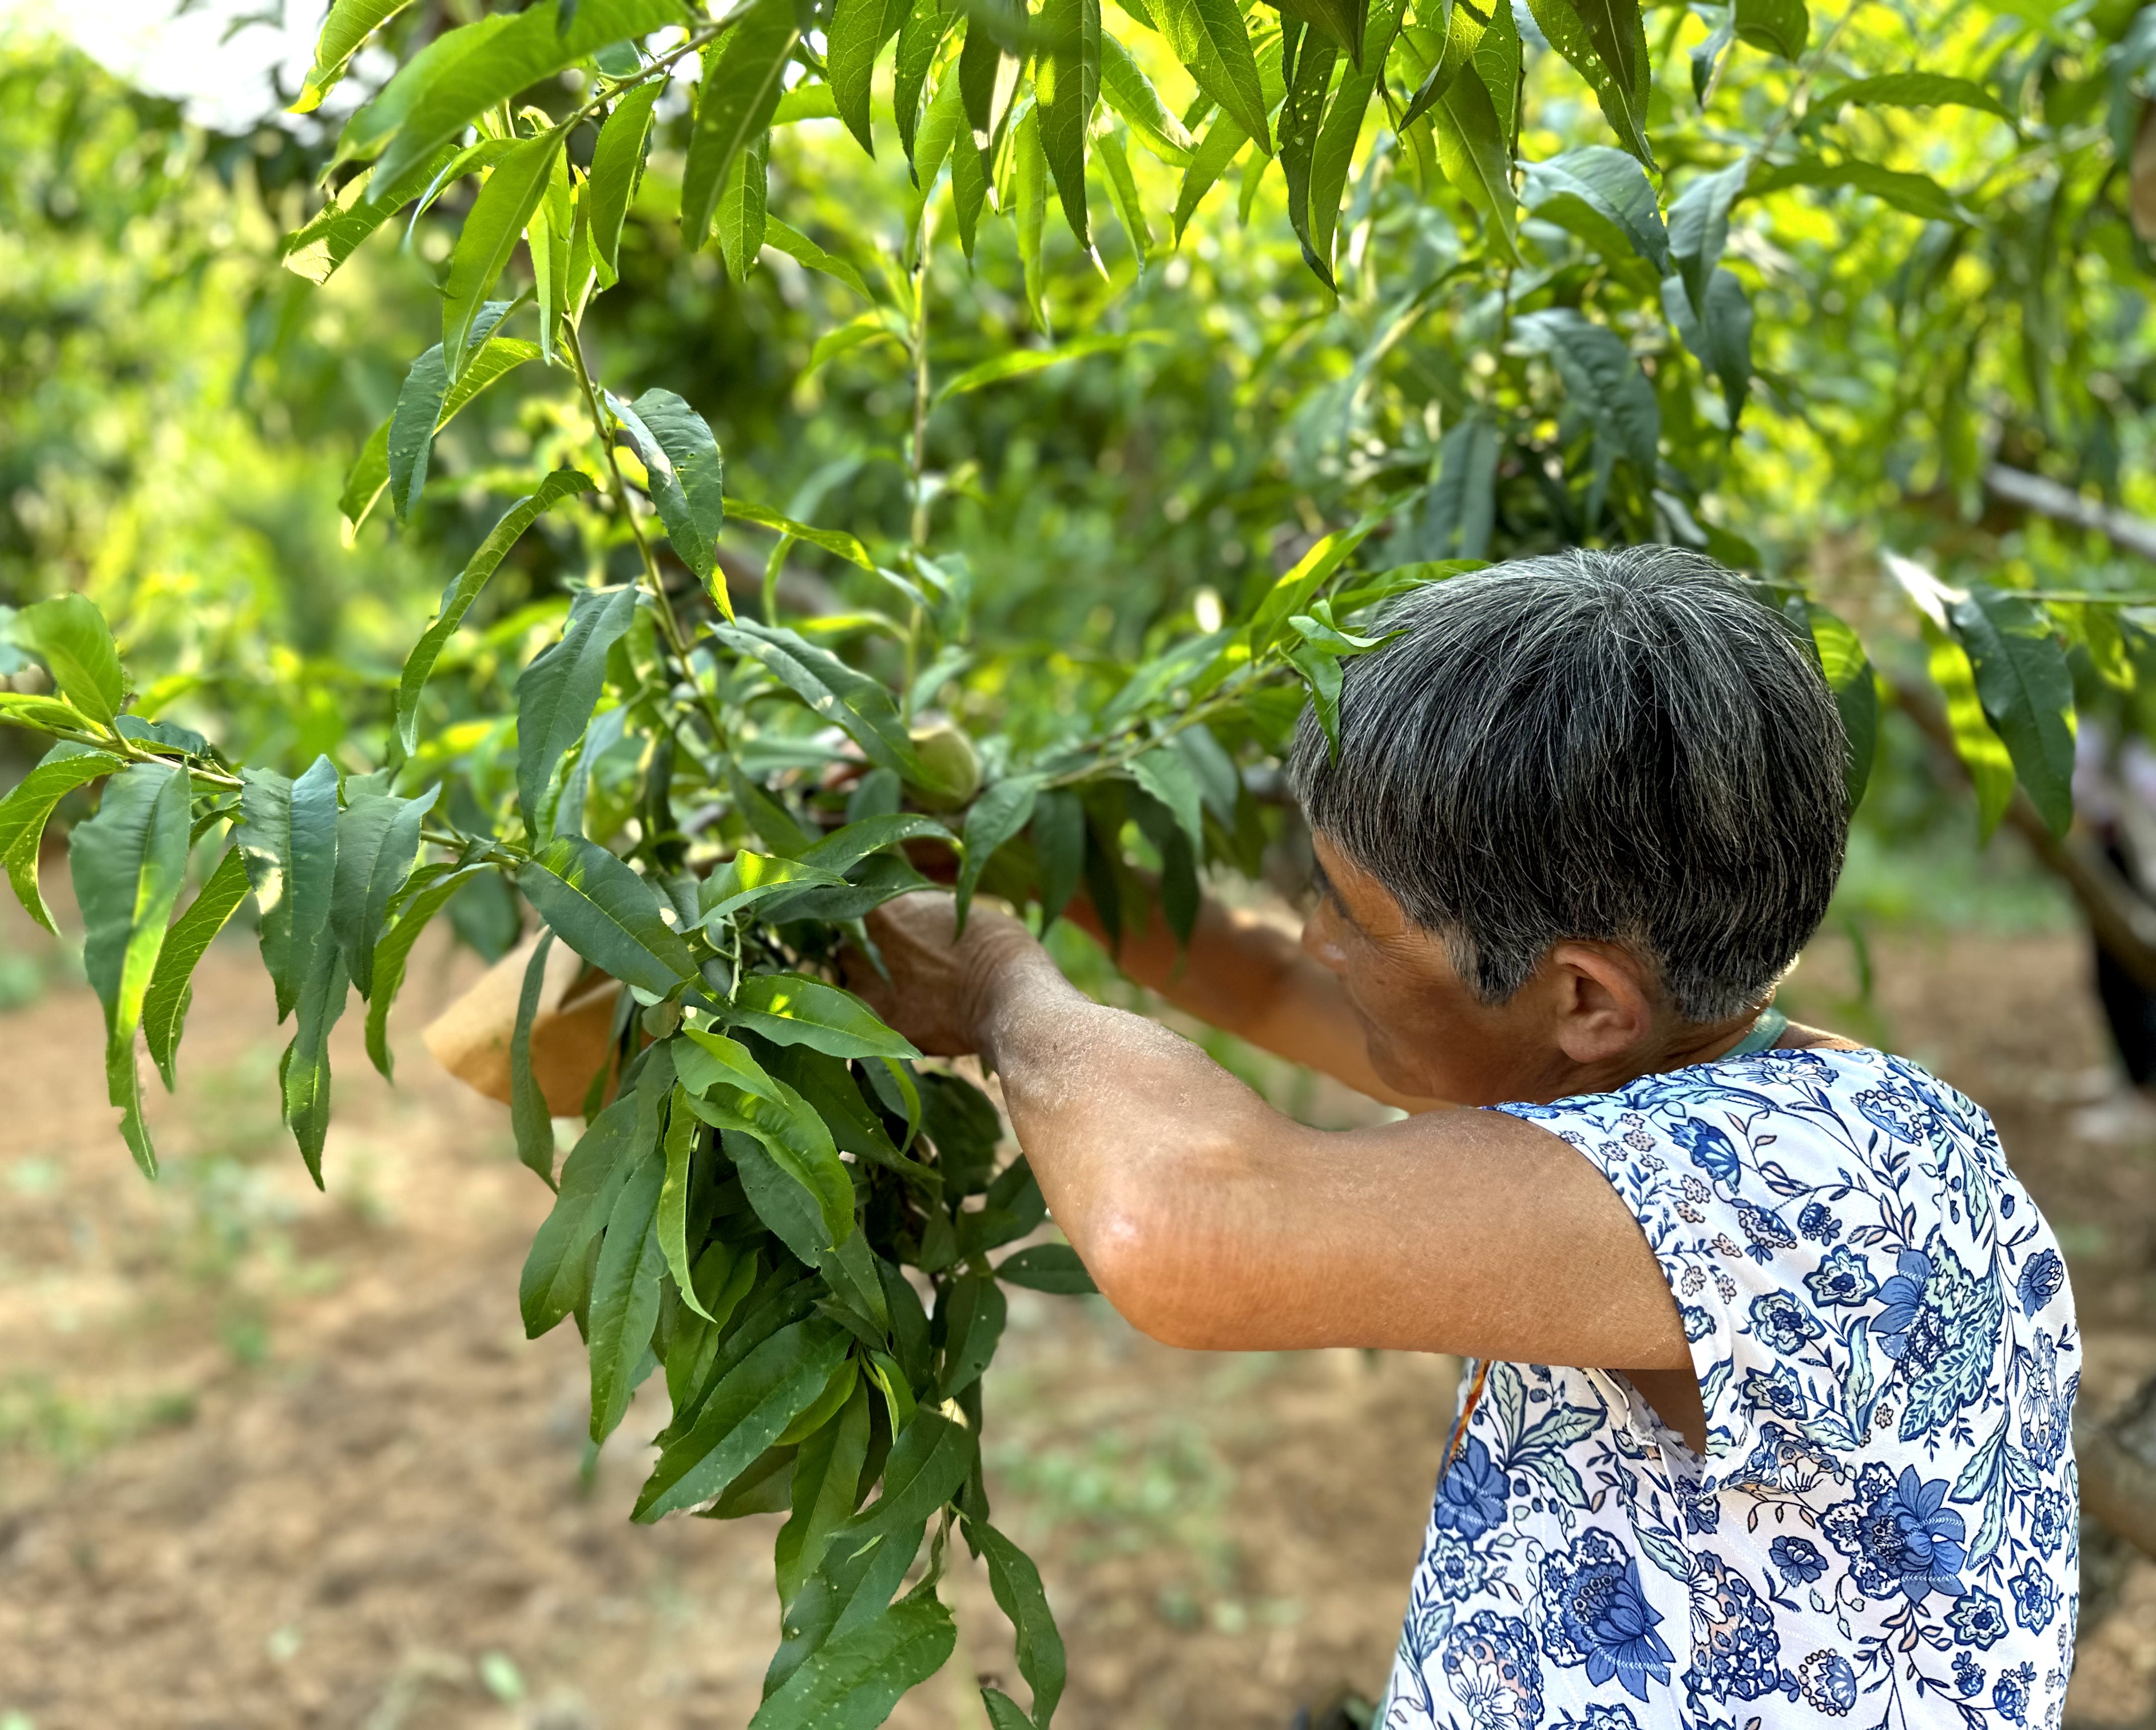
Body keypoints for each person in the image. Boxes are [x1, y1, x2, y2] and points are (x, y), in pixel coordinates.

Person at [848, 548, 2082, 1730]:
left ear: (1585, 999)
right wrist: (1022, 856)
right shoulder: (1723, 1081)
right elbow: (1280, 986)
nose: (1318, 934)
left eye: (1356, 917)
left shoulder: (1775, 1193)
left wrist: (995, 984)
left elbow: (1181, 1227)